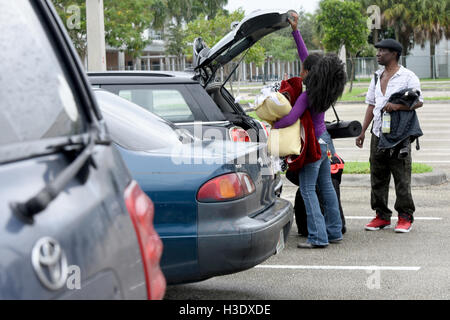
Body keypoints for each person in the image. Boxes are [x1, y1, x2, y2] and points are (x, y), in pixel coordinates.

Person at [274, 12, 347, 248]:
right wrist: (295, 32)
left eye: (304, 70)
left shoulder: (307, 96)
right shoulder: (324, 91)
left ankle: (318, 237)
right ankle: (334, 231)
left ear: (309, 73)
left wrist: (273, 125)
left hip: (313, 146)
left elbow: (291, 118)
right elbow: (309, 59)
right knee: (326, 187)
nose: (301, 71)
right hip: (325, 141)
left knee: (307, 190)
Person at [355, 39, 424, 233]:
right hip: (378, 132)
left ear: (394, 54)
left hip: (399, 135)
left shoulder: (408, 76)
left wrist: (397, 106)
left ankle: (405, 216)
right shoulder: (377, 77)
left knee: (401, 175)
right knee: (377, 175)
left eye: (382, 51)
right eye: (377, 51)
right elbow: (371, 104)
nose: (378, 54)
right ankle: (381, 216)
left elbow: (419, 101)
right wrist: (362, 131)